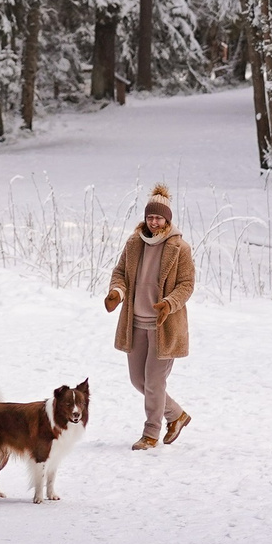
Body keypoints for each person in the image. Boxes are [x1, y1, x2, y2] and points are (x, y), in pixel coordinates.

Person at [103, 184, 193, 451]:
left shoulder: (180, 248)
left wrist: (169, 303)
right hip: (136, 323)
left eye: (159, 217)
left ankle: (150, 434)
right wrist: (116, 292)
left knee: (154, 382)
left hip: (165, 326)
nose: (154, 222)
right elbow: (120, 272)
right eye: (150, 217)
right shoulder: (134, 243)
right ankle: (176, 415)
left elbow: (186, 285)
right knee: (138, 381)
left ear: (168, 219)